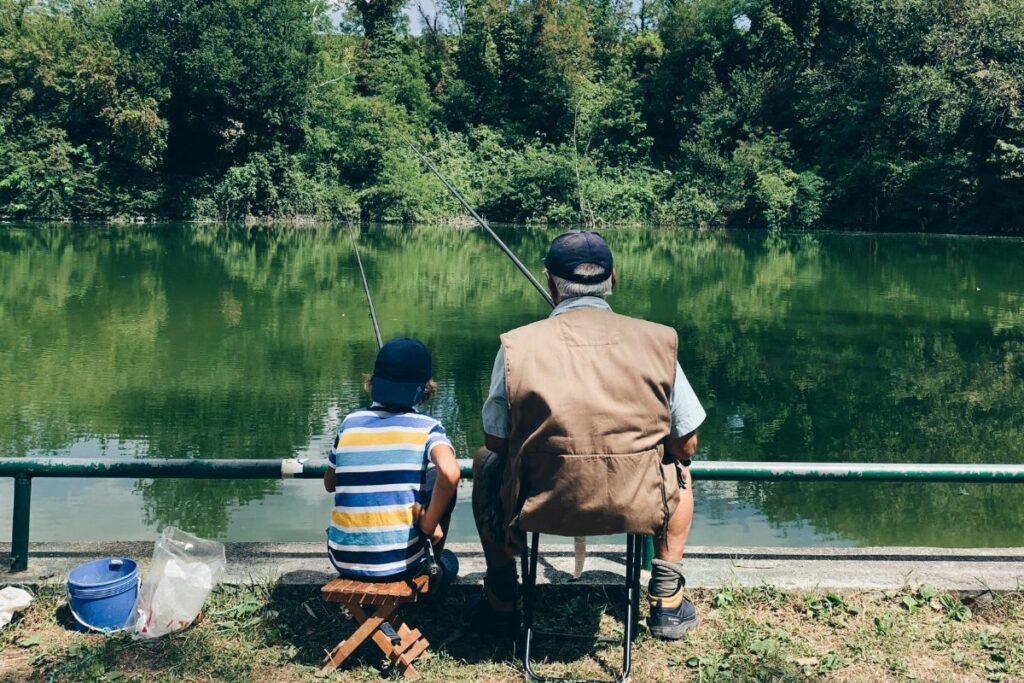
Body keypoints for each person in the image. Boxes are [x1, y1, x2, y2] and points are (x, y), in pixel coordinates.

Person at [469, 231, 705, 640]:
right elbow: (685, 444)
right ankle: (667, 600)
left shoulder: (515, 347)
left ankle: (503, 594)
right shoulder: (658, 341)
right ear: (614, 278)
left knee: (485, 463)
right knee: (679, 470)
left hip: (540, 504)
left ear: (549, 282)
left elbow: (497, 443)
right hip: (637, 504)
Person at [324, 337, 461, 585]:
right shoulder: (428, 428)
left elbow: (329, 483)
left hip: (342, 559)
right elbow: (450, 473)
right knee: (451, 562)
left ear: (373, 381)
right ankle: (433, 571)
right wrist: (428, 524)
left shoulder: (349, 423)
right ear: (424, 389)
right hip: (400, 566)